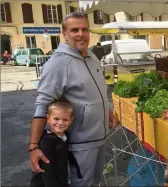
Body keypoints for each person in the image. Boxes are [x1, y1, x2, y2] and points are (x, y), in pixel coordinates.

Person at [29, 12, 118, 187]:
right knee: (81, 184)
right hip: (80, 143)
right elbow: (42, 105)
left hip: (100, 137)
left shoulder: (92, 57)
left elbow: (96, 91)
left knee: (95, 182)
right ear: (64, 34)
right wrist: (33, 146)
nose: (80, 34)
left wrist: (107, 111)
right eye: (74, 29)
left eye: (84, 29)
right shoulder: (58, 63)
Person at [30, 100, 77, 187]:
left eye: (65, 119)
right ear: (48, 118)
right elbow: (46, 171)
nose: (60, 123)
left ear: (71, 121)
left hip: (61, 178)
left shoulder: (65, 136)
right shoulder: (46, 142)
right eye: (56, 119)